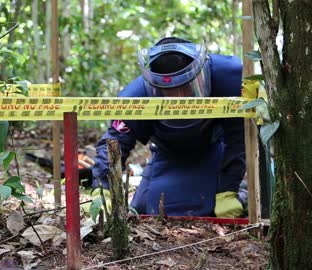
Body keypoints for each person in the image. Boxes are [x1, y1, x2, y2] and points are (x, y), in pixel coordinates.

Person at [91, 37, 246, 217]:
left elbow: (240, 136)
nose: (180, 98)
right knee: (145, 209)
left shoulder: (228, 76)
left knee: (210, 208)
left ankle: (243, 191)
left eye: (186, 89)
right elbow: (115, 140)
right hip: (168, 152)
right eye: (171, 92)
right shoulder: (135, 96)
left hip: (215, 148)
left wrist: (228, 189)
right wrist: (103, 189)